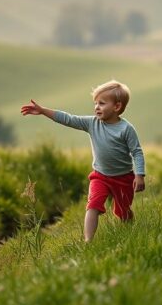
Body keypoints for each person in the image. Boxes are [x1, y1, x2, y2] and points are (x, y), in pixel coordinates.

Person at [20, 80, 145, 241]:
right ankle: (88, 242)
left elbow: (137, 152)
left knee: (122, 211)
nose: (96, 107)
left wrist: (139, 175)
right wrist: (43, 111)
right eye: (95, 103)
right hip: (100, 176)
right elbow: (68, 119)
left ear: (117, 107)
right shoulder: (92, 123)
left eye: (102, 103)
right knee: (93, 205)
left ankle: (130, 233)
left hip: (123, 178)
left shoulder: (126, 129)